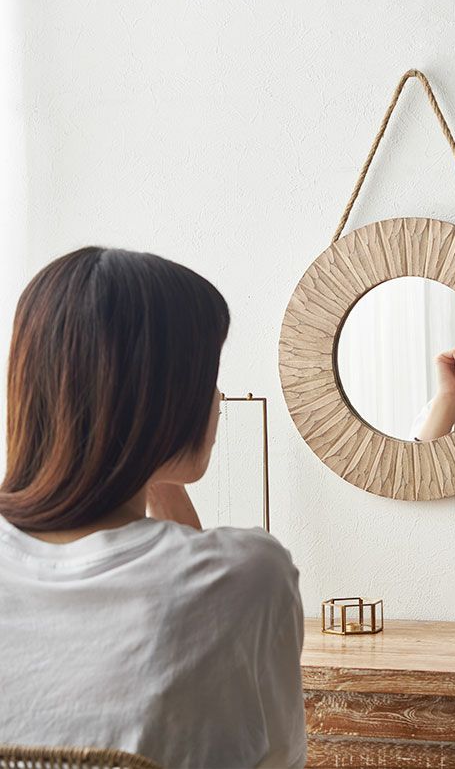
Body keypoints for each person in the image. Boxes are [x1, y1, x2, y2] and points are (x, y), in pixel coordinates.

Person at [0, 247, 307, 768]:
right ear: (165, 397)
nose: (217, 397)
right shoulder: (252, 575)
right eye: (207, 374)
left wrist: (141, 463)